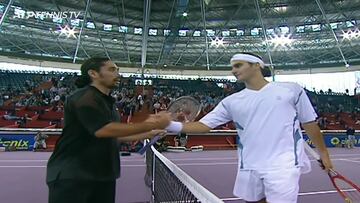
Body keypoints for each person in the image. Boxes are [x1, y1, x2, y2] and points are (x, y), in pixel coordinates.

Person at [165, 53, 333, 203]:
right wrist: (168, 125)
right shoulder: (231, 101)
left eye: (238, 65)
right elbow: (203, 126)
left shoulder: (292, 90)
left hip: (283, 166)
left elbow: (309, 123)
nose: (233, 70)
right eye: (232, 67)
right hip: (249, 166)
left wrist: (324, 153)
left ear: (257, 65)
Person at [46, 57, 171, 203]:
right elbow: (102, 130)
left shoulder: (110, 103)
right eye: (112, 70)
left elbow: (112, 137)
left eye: (118, 70)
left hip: (103, 175)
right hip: (74, 176)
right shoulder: (84, 98)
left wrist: (148, 134)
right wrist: (151, 123)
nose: (118, 74)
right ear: (93, 73)